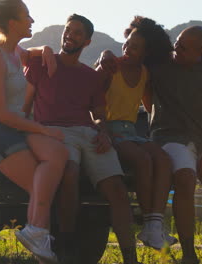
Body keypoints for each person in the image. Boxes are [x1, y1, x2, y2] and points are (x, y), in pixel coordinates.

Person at [99, 26, 202, 264]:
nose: (176, 48)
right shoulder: (159, 66)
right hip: (170, 137)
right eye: (177, 42)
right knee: (185, 179)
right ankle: (189, 256)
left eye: (183, 47)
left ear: (200, 51)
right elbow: (130, 55)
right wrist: (104, 55)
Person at [24, 14, 141, 264]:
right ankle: (66, 246)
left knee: (118, 190)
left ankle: (130, 257)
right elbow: (24, 107)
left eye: (77, 33)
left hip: (89, 133)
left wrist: (103, 132)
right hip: (54, 132)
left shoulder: (91, 77)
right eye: (68, 30)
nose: (70, 35)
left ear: (87, 42)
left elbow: (99, 116)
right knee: (70, 173)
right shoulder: (41, 64)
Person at [0, 1, 68, 263]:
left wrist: (43, 49)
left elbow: (27, 54)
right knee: (40, 180)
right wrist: (42, 129)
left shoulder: (15, 51)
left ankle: (35, 230)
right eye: (26, 16)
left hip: (11, 126)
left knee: (57, 152)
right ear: (12, 23)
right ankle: (38, 232)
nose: (32, 20)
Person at [96, 16, 176, 250]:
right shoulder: (110, 67)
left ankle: (154, 226)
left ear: (146, 54)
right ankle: (149, 225)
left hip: (131, 131)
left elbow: (150, 107)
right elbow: (90, 100)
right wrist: (105, 55)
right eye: (127, 43)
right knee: (142, 159)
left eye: (135, 47)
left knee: (163, 158)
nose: (127, 49)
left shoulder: (144, 73)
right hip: (109, 129)